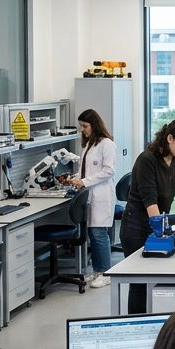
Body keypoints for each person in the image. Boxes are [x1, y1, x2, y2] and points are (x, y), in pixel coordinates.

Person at [120, 119, 175, 314]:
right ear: (169, 138)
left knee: (160, 281)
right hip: (136, 228)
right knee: (140, 283)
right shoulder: (147, 160)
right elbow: (150, 201)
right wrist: (161, 233)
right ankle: (138, 325)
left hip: (156, 224)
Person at [59, 108, 118, 289]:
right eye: (81, 126)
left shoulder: (106, 144)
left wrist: (84, 181)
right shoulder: (88, 144)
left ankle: (106, 273)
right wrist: (75, 178)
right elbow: (86, 170)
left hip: (101, 195)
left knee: (99, 235)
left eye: (85, 126)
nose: (82, 129)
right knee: (93, 234)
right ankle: (98, 270)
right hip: (89, 195)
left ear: (95, 125)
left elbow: (108, 171)